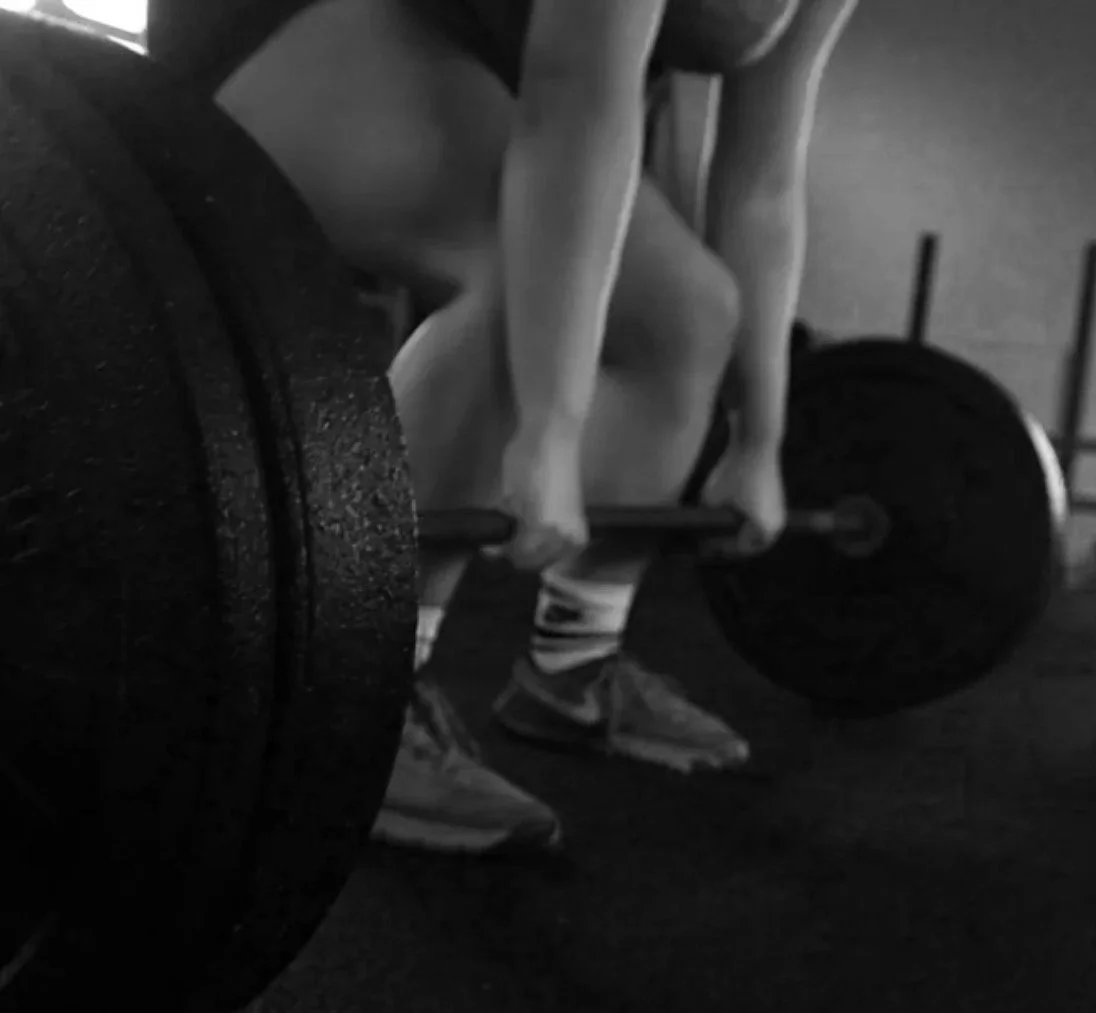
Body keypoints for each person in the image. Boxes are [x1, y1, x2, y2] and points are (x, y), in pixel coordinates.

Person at [199, 0, 858, 853]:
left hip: (489, 76)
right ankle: (353, 698)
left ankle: (573, 668)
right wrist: (551, 422)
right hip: (304, 29)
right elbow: (572, 103)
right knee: (532, 270)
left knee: (690, 312)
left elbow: (764, 183)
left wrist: (759, 440)